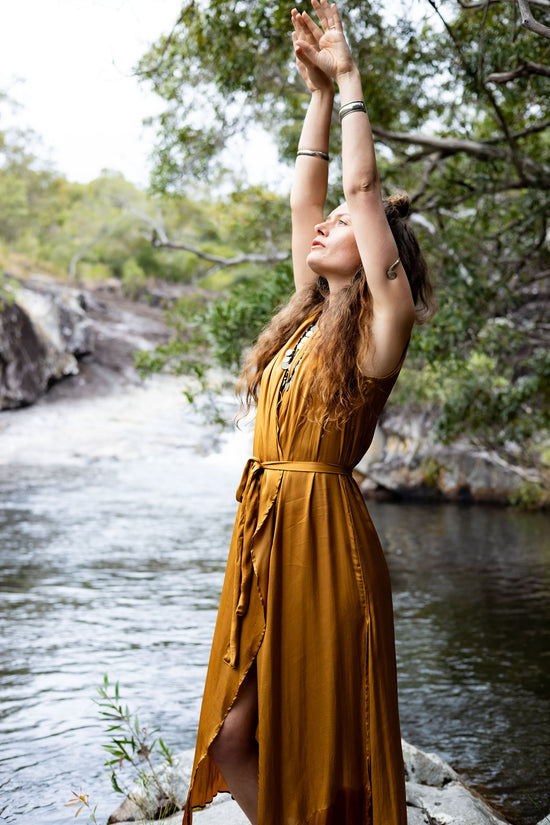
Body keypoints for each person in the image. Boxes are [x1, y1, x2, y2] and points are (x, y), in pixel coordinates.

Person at [183, 1, 434, 823]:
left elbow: (358, 188)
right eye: (323, 225)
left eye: (344, 226)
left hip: (324, 539)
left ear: (376, 255)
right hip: (264, 528)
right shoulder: (307, 310)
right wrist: (317, 94)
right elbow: (310, 199)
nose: (325, 223)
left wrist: (353, 75)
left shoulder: (379, 328)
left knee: (322, 732)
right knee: (231, 739)